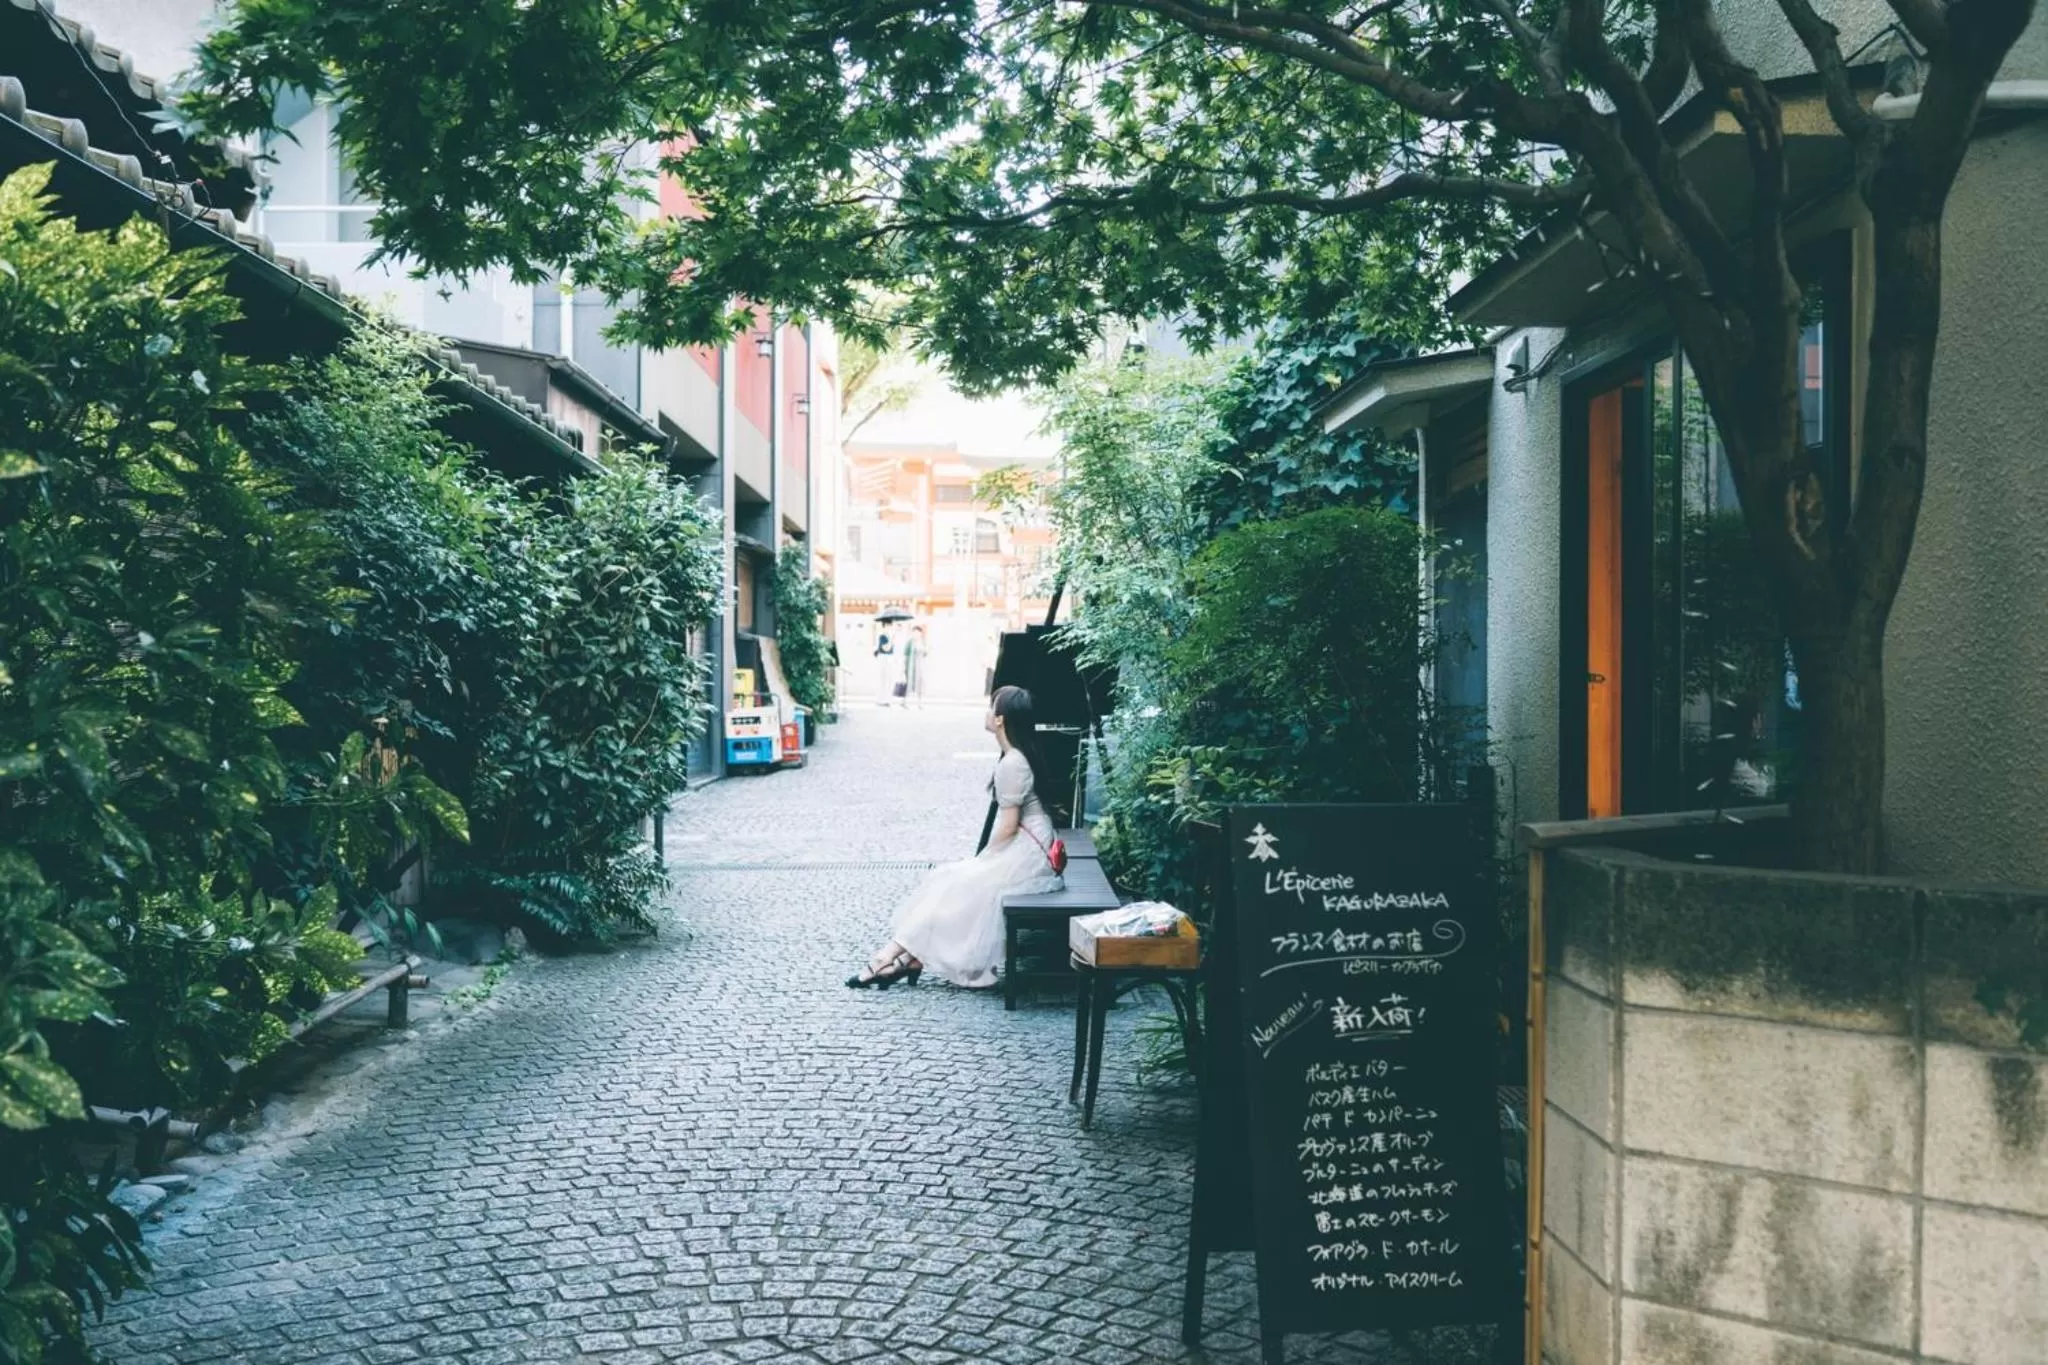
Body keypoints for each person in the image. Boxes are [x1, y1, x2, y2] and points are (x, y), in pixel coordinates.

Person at [846, 685, 1064, 989]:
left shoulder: (1013, 762)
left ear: (1000, 719)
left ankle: (892, 958)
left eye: (991, 707)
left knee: (954, 882)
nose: (987, 713)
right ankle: (900, 958)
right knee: (948, 882)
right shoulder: (1015, 756)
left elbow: (1009, 826)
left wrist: (983, 859)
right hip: (1030, 846)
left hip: (1028, 853)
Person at [873, 626, 901, 704]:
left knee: (888, 680)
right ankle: (881, 699)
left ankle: (886, 699)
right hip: (884, 659)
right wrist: (892, 639)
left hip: (888, 660)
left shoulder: (888, 636)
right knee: (883, 680)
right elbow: (886, 649)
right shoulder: (883, 636)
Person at [902, 625, 927, 707]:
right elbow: (905, 654)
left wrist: (925, 650)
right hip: (910, 667)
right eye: (915, 632)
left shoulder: (922, 642)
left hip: (920, 667)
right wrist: (903, 667)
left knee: (919, 684)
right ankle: (904, 702)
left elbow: (925, 654)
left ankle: (919, 703)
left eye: (918, 632)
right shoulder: (910, 642)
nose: (917, 634)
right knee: (908, 684)